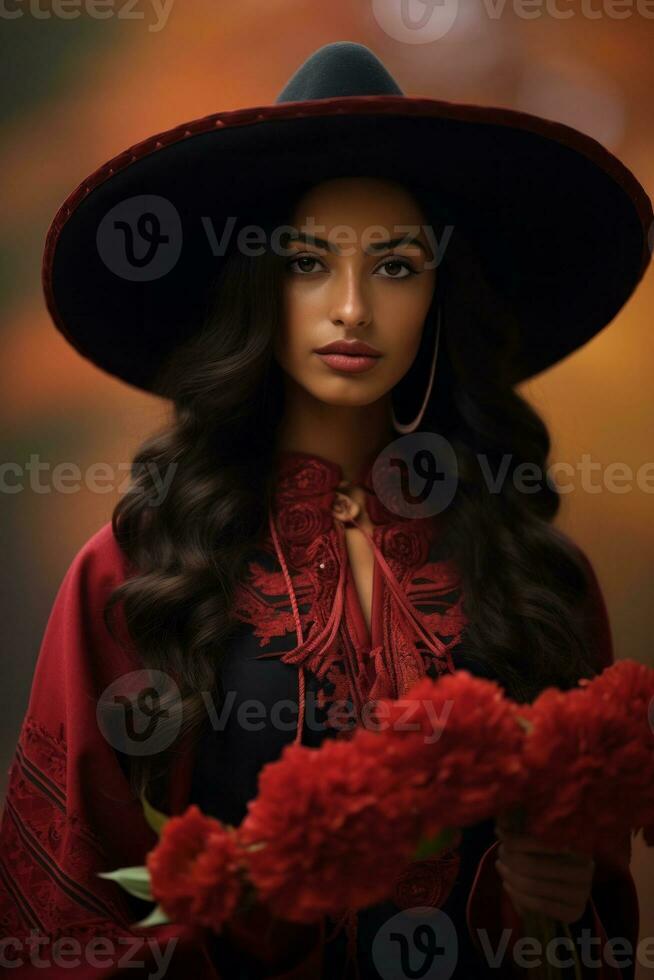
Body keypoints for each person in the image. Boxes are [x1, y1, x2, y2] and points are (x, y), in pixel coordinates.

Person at [0, 41, 650, 980]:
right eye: (308, 262)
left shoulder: (537, 576)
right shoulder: (133, 572)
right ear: (258, 288)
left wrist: (549, 909)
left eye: (394, 267)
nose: (351, 308)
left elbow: (592, 931)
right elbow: (64, 913)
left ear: (438, 294)